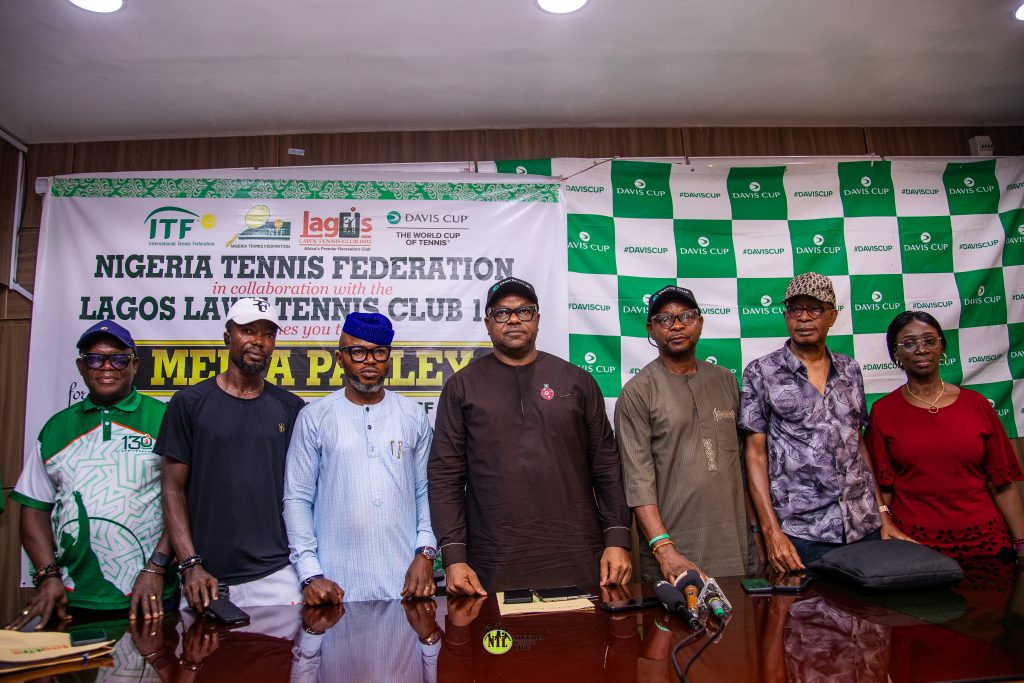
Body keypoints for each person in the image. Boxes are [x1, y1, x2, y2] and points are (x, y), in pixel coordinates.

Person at [428, 277, 632, 594]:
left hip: (578, 555)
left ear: (537, 319)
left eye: (524, 311)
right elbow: (445, 477)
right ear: (487, 323)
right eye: (501, 312)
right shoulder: (462, 387)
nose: (513, 319)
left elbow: (606, 466)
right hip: (491, 562)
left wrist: (617, 539)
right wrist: (454, 557)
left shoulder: (577, 382)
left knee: (582, 628)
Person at [739, 272, 910, 571]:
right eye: (795, 309)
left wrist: (883, 515)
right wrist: (771, 532)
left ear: (832, 316)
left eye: (814, 309)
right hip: (801, 532)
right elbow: (755, 455)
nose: (804, 317)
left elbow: (857, 445)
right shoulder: (761, 372)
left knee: (868, 602)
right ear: (786, 315)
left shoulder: (850, 369)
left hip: (862, 525)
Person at [7, 320, 172, 629]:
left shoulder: (165, 419)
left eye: (119, 358)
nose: (107, 367)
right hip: (69, 597)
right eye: (95, 358)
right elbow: (34, 509)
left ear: (135, 365)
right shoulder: (56, 428)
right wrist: (48, 575)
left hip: (149, 595)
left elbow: (184, 504)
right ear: (81, 367)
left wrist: (156, 569)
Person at [157, 297, 306, 610]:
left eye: (268, 334)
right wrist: (190, 564)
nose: (259, 341)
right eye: (248, 330)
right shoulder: (188, 403)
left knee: (284, 645)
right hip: (206, 577)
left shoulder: (290, 407)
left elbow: (302, 493)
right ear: (228, 336)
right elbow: (172, 490)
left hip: (277, 572)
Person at [283, 312, 437, 603]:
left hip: (406, 582)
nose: (370, 361)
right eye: (358, 352)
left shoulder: (412, 415)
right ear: (340, 358)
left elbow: (425, 491)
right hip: (334, 585)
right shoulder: (314, 417)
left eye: (379, 352)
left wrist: (425, 552)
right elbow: (297, 500)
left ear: (388, 358)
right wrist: (310, 574)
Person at [616, 285, 757, 582]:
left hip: (737, 546)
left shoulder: (725, 380)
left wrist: (757, 533)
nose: (677, 325)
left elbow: (743, 466)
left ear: (700, 323)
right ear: (650, 329)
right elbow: (638, 481)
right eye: (664, 319)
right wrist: (664, 550)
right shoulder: (638, 392)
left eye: (686, 316)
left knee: (744, 613)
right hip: (675, 552)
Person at [864, 311, 1024, 560]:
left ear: (942, 347)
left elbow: (1002, 484)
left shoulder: (977, 405)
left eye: (930, 340)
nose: (921, 349)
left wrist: (1021, 544)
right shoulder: (883, 411)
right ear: (896, 354)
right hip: (915, 548)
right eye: (909, 343)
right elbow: (882, 489)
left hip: (986, 545)